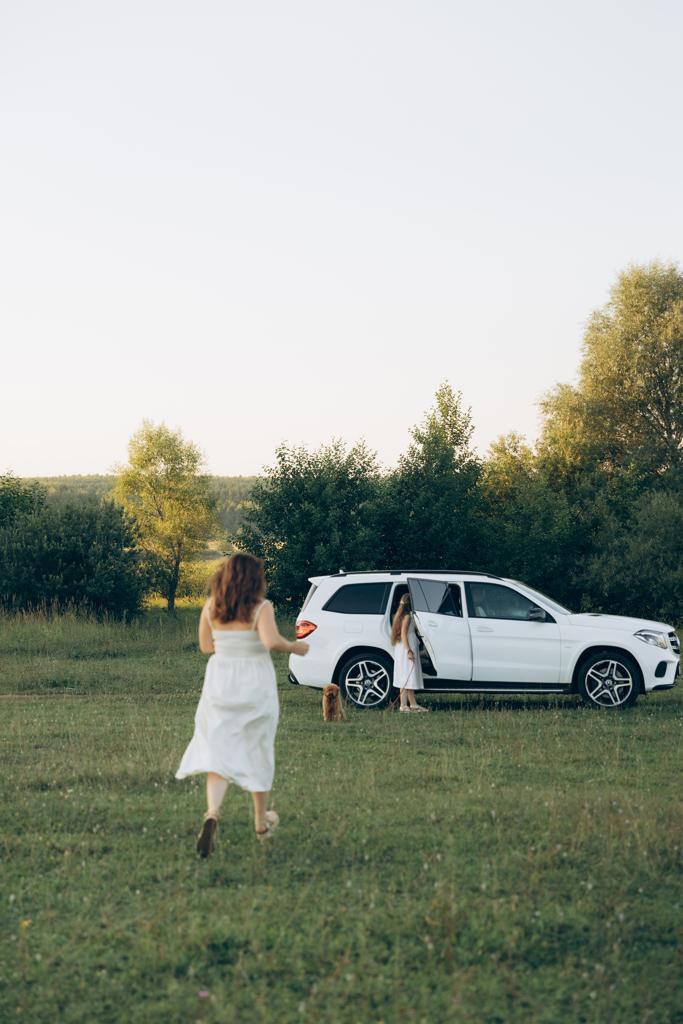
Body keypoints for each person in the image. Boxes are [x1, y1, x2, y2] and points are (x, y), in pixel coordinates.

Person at [175, 552, 309, 857]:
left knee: (218, 748)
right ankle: (261, 823)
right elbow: (271, 642)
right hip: (253, 683)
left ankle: (212, 812)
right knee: (257, 747)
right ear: (254, 578)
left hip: (221, 682)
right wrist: (295, 647)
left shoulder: (211, 606)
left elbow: (206, 647)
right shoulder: (261, 607)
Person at [390, 593, 427, 712]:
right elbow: (404, 634)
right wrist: (409, 650)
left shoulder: (401, 616)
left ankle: (412, 704)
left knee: (406, 675)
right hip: (406, 646)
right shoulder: (407, 617)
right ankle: (403, 705)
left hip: (404, 646)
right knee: (406, 675)